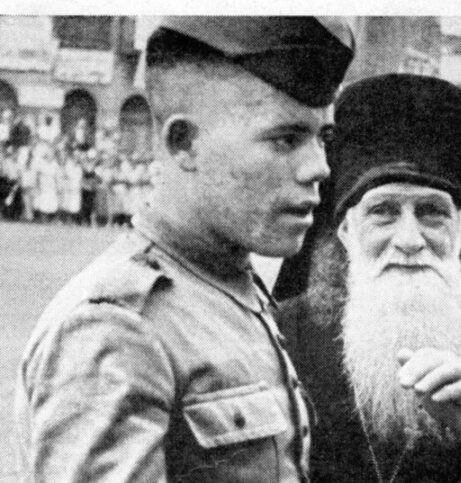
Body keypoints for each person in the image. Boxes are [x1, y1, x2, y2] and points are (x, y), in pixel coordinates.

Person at [15, 16, 354, 482]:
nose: (318, 167)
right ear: (184, 143)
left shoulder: (232, 287)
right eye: (286, 139)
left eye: (323, 139)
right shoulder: (117, 328)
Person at [272, 74, 461, 483]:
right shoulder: (283, 339)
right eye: (383, 210)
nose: (409, 239)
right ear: (346, 232)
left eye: (432, 212)